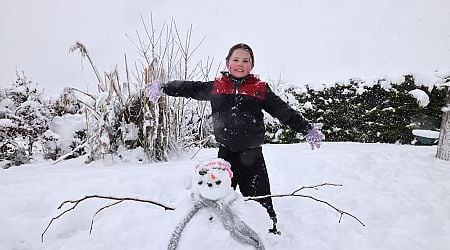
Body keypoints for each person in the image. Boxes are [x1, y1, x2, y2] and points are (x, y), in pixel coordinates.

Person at [146, 43, 323, 234]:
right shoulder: (217, 87)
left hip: (252, 155)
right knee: (218, 196)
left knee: (260, 198)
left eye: (245, 60)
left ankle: (269, 232)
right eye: (236, 60)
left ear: (251, 65)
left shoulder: (260, 89)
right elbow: (189, 88)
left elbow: (283, 111)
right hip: (225, 155)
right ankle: (217, 234)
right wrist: (164, 87)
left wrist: (306, 129)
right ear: (228, 63)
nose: (240, 64)